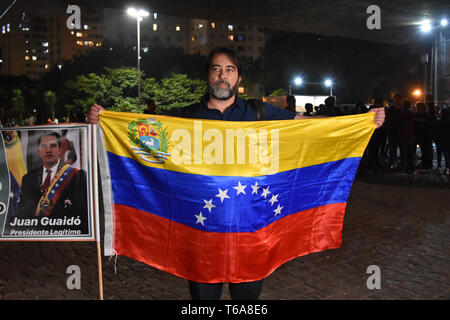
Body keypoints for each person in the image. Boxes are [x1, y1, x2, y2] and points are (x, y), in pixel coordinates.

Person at [87, 47, 385, 300]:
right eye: (216, 69)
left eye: (229, 70)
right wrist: (104, 120)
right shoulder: (186, 118)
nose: (222, 75)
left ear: (238, 77)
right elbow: (143, 135)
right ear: (208, 75)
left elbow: (310, 126)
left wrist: (360, 122)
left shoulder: (261, 113)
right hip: (200, 238)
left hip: (252, 238)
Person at [13, 131, 88, 233]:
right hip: (34, 237)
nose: (48, 150)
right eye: (44, 146)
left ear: (60, 150)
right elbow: (22, 212)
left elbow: (82, 214)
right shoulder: (28, 178)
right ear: (38, 151)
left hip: (66, 236)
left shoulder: (77, 176)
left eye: (53, 146)